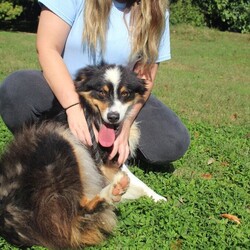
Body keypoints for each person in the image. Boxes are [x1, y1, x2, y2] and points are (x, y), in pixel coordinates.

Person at [0, 0, 190, 168]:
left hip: (120, 98)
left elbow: (144, 78)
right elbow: (47, 47)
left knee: (172, 141)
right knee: (16, 89)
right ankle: (48, 142)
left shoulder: (156, 9)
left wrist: (125, 128)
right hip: (67, 86)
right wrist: (73, 107)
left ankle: (109, 151)